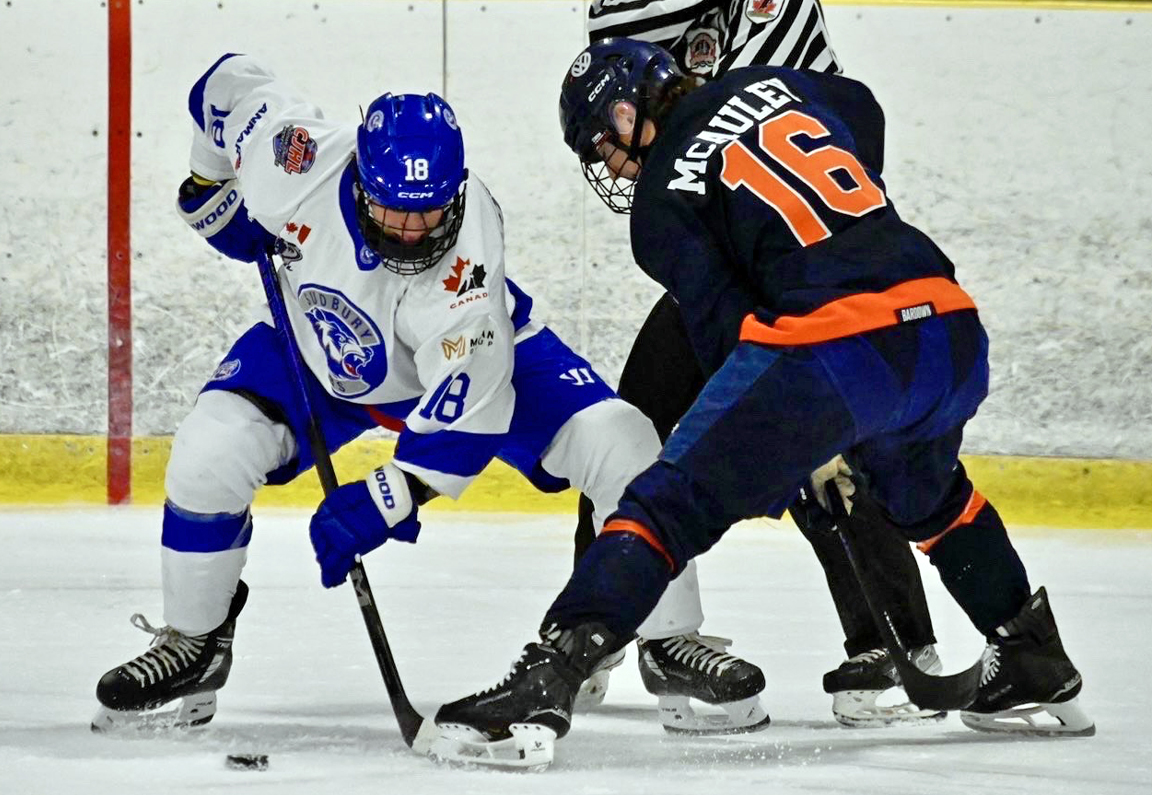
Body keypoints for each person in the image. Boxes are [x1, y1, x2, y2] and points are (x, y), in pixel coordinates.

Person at [430, 38, 1095, 765]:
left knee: (662, 503)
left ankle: (548, 677)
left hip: (835, 345)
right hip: (946, 323)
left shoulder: (658, 207)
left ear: (625, 114)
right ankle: (1031, 655)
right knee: (930, 495)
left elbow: (731, 338)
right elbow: (863, 110)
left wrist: (807, 438)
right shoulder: (773, 81)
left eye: (603, 148)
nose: (612, 169)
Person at [90, 53, 765, 736]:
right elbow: (223, 84)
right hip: (319, 347)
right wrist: (210, 186)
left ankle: (670, 639)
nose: (414, 232)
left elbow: (470, 409)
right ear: (360, 179)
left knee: (622, 439)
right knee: (210, 447)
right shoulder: (293, 158)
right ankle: (194, 642)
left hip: (472, 361)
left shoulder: (469, 251)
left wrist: (385, 497)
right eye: (393, 211)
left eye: (431, 211)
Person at [575, 0, 944, 727]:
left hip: (806, 263)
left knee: (822, 438)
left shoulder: (776, 9)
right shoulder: (630, 12)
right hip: (727, 264)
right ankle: (594, 625)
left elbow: (843, 134)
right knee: (629, 424)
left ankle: (897, 647)